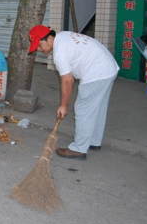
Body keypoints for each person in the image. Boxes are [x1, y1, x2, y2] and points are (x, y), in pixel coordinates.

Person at [28, 25, 120, 160]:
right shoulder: (63, 36)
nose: (39, 49)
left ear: (50, 38)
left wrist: (63, 105)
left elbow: (67, 81)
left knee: (83, 109)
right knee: (97, 107)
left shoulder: (59, 52)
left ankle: (79, 149)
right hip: (108, 67)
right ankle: (94, 141)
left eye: (40, 45)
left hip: (97, 73)